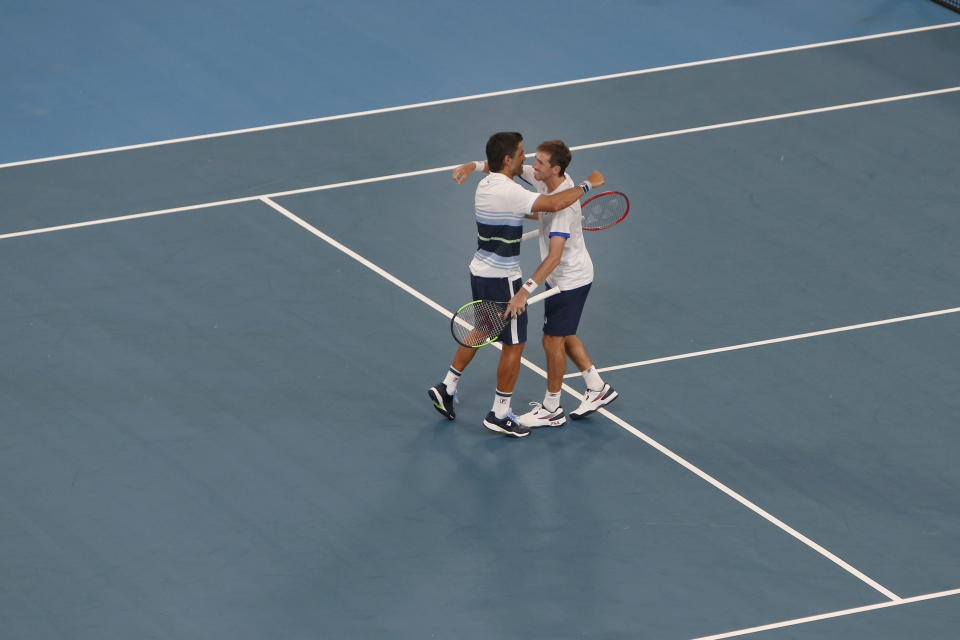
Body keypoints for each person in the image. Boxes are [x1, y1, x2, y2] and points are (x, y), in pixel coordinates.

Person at [428, 132, 604, 437]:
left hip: (479, 271)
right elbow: (554, 203)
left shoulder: (487, 185)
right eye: (522, 154)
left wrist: (472, 164)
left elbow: (532, 210)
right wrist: (588, 184)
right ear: (507, 159)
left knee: (483, 328)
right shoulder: (511, 191)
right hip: (503, 279)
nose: (527, 160)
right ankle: (500, 413)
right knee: (514, 344)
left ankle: (447, 386)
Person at [508, 140, 617, 428]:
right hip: (560, 279)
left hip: (570, 280)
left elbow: (554, 257)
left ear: (555, 169)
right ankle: (597, 387)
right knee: (564, 334)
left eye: (541, 162)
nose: (534, 165)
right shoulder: (545, 179)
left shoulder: (563, 210)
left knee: (551, 339)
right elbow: (518, 171)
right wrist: (477, 167)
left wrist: (524, 290)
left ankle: (551, 408)